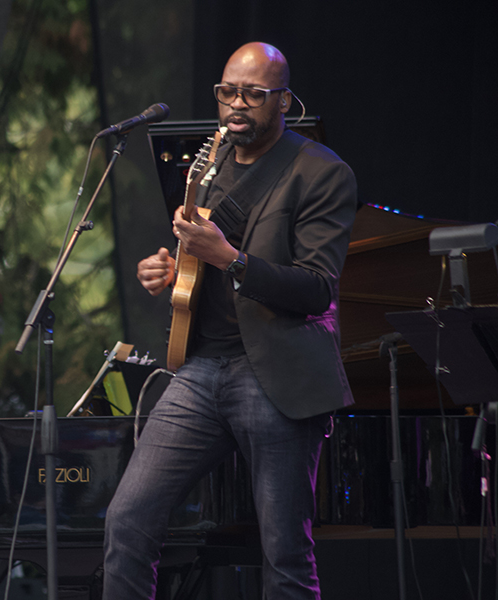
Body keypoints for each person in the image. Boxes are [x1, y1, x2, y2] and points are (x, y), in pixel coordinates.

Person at [102, 42, 357, 599]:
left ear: (284, 100)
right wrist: (173, 269)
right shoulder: (211, 163)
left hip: (277, 375)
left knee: (284, 553)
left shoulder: (321, 172)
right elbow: (205, 256)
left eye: (253, 94)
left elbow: (316, 289)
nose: (236, 103)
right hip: (199, 371)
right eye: (227, 92)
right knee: (127, 520)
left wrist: (229, 258)